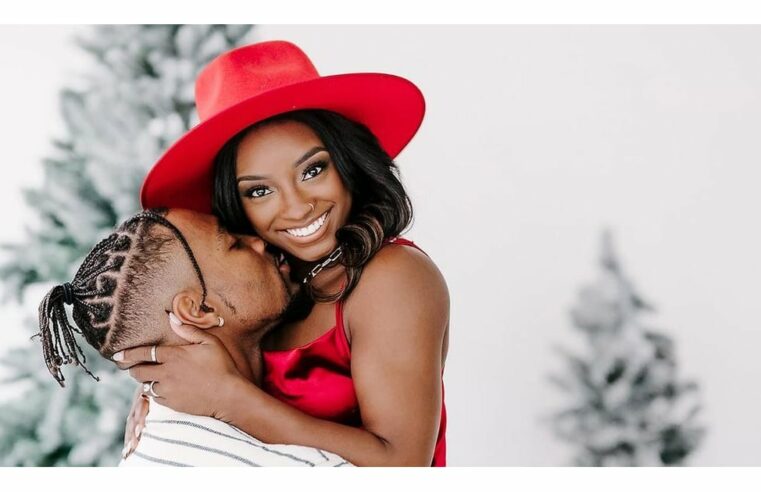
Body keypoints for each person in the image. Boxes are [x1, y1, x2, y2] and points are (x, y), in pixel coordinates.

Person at [122, 40, 450, 467]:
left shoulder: (393, 277)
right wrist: (156, 392)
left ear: (347, 163)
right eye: (260, 191)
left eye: (313, 170)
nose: (296, 207)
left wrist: (232, 401)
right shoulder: (261, 286)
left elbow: (402, 463)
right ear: (236, 205)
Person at [35, 208, 351, 466]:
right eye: (234, 244)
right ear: (197, 309)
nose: (257, 241)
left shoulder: (166, 438)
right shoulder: (284, 465)